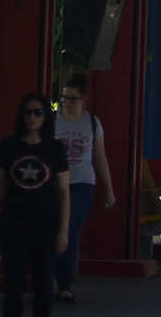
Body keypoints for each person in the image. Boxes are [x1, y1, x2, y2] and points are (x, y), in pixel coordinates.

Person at [0, 92, 67, 317]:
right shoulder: (9, 147)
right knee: (14, 285)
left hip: (46, 224)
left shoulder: (55, 150)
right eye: (28, 112)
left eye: (38, 113)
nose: (32, 117)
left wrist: (64, 230)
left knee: (44, 284)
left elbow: (65, 192)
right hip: (14, 223)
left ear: (46, 118)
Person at [50, 74, 116, 303]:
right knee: (52, 230)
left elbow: (100, 157)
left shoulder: (92, 123)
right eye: (64, 97)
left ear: (83, 100)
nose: (67, 102)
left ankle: (65, 284)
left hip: (82, 183)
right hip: (53, 183)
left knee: (71, 230)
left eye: (73, 98)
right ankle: (52, 280)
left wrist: (109, 190)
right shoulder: (51, 121)